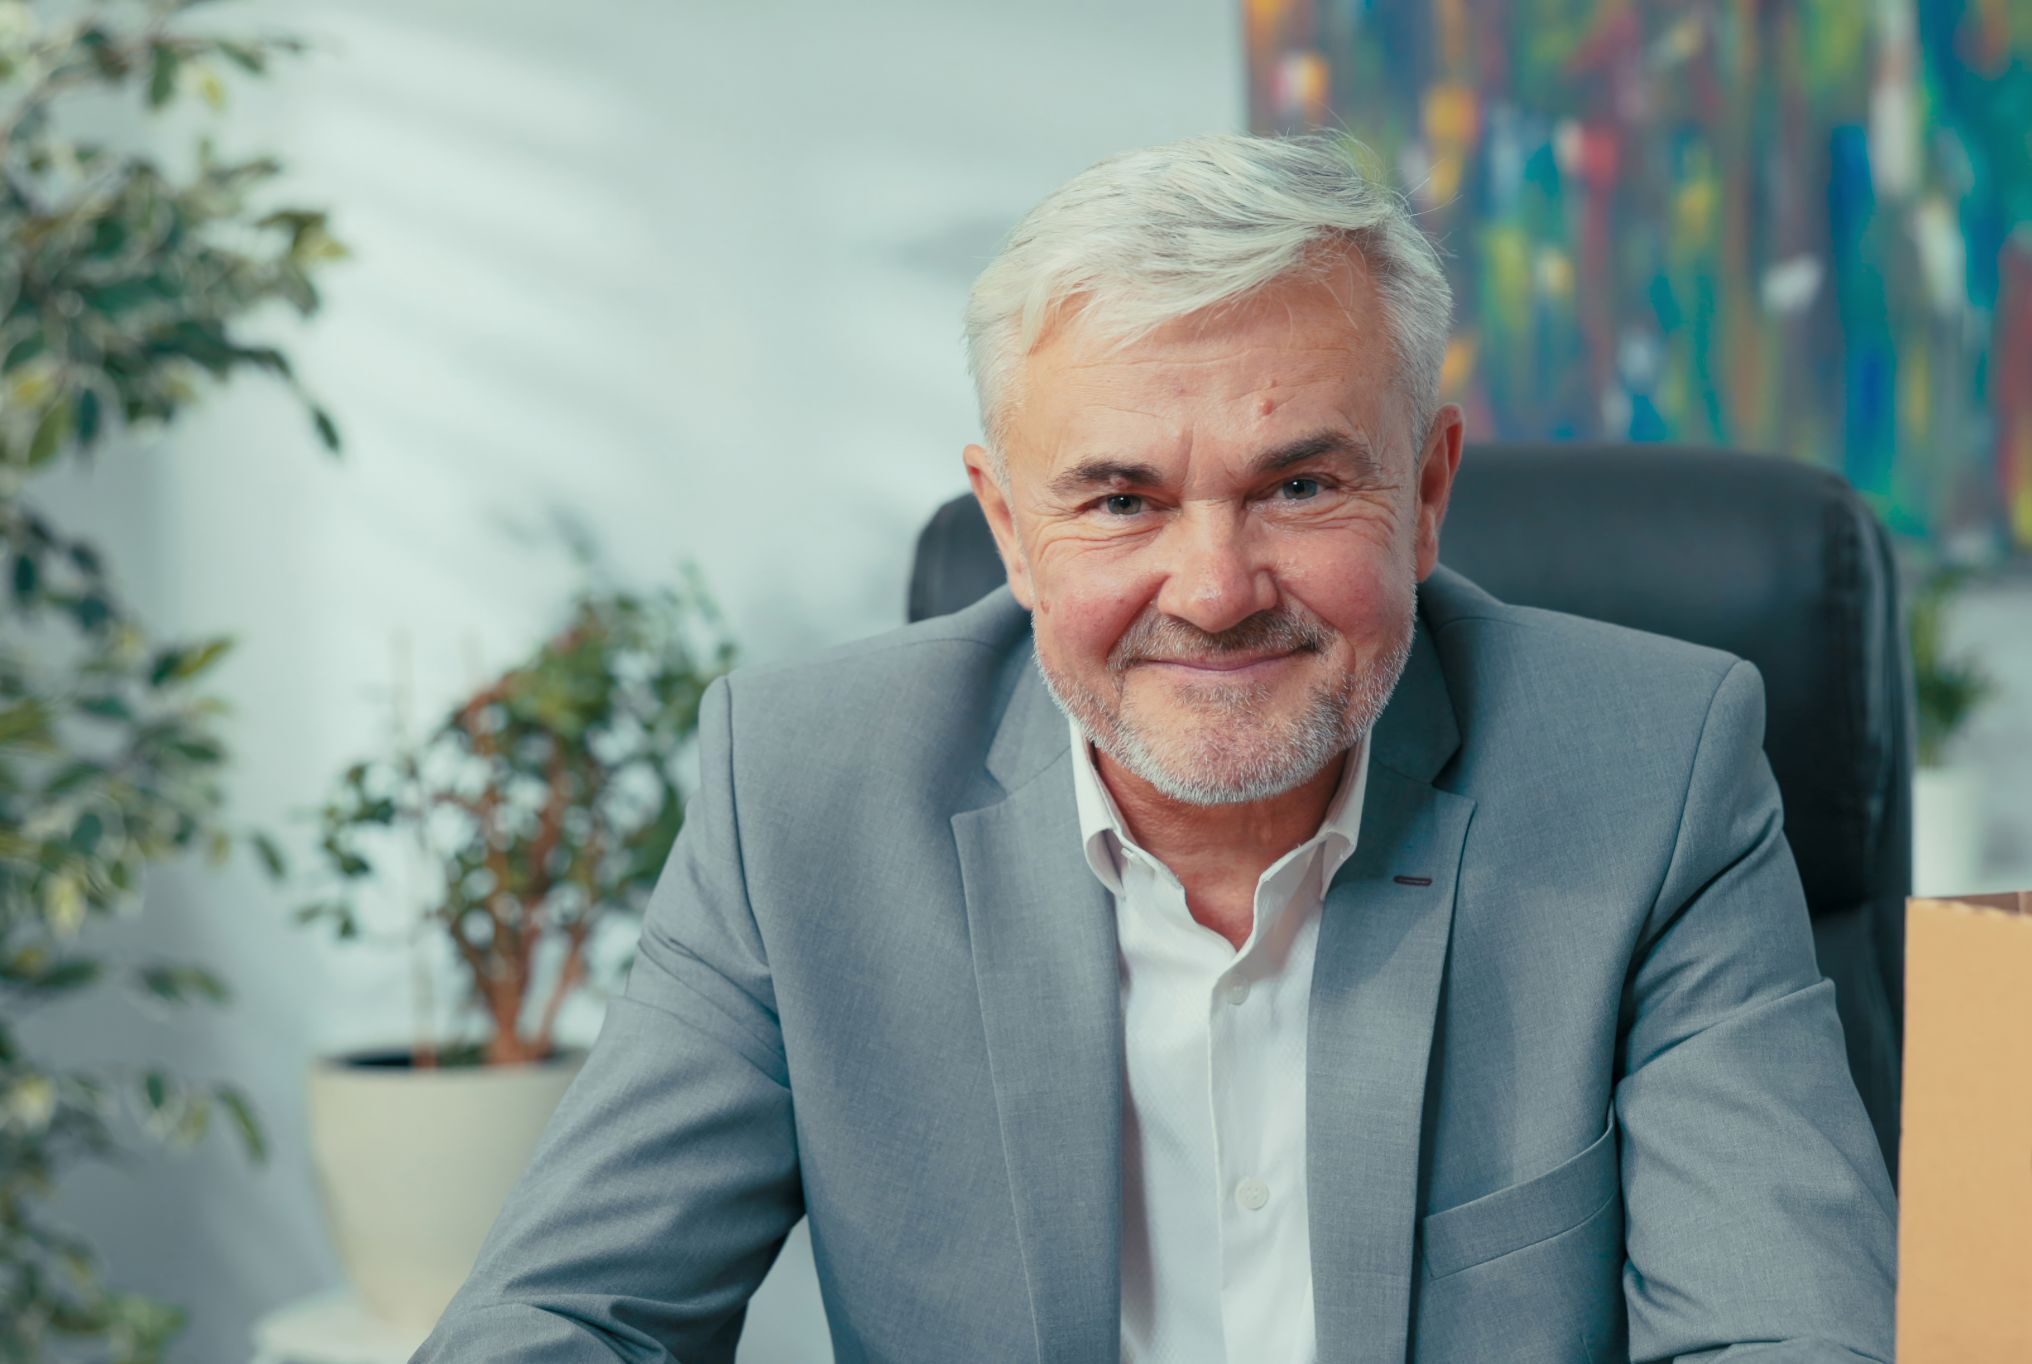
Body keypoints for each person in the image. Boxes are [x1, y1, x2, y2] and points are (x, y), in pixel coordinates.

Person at [409, 131, 1897, 1364]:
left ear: (1427, 494)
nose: (1215, 590)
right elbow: (567, 1317)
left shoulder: (1651, 775)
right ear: (1009, 529)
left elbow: (1788, 1332)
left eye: (1299, 486)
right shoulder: (800, 795)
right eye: (1119, 501)